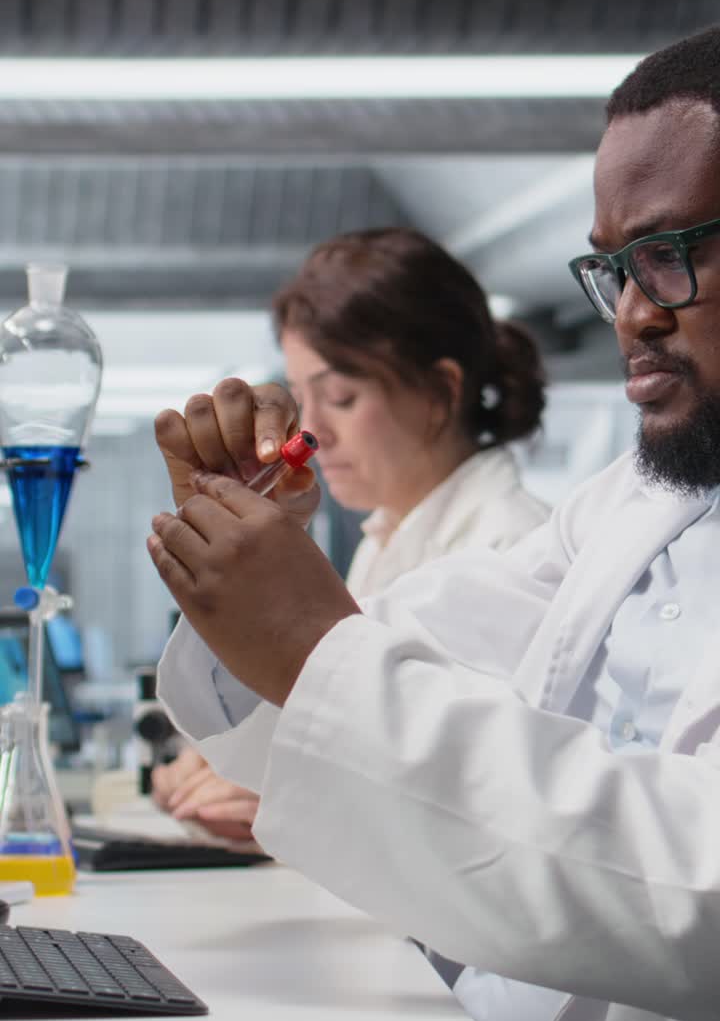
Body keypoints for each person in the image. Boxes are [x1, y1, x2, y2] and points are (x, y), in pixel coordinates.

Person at [149, 26, 720, 1021]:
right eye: (615, 265)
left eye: (671, 254)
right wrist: (245, 580)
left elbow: (698, 882)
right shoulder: (636, 500)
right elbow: (402, 659)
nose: (633, 313)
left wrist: (308, 641)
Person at [151, 227, 548, 846]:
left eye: (340, 396)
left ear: (441, 391)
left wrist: (291, 798)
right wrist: (230, 759)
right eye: (302, 396)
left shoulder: (516, 546)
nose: (312, 432)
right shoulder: (384, 539)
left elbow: (484, 801)